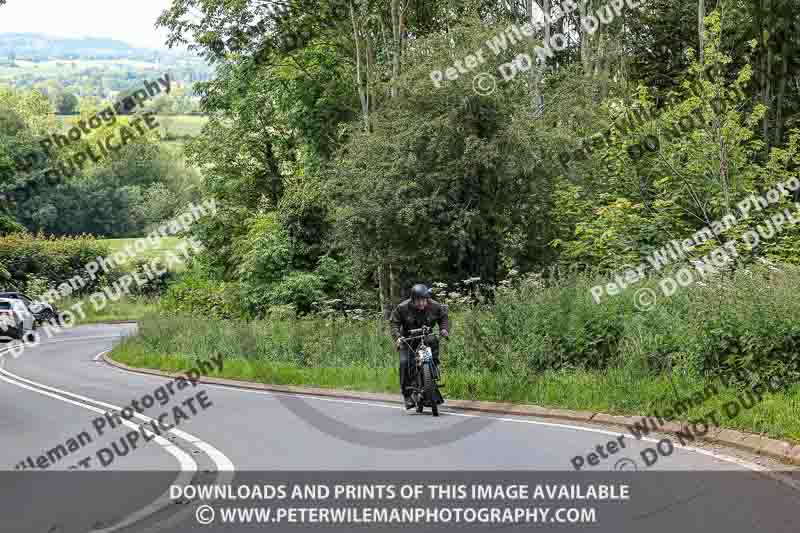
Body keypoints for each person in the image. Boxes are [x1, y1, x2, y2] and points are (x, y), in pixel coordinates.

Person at [389, 284, 450, 409]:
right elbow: (394, 323)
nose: (422, 303)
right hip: (407, 340)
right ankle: (407, 395)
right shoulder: (402, 308)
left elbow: (444, 317)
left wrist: (444, 329)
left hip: (426, 338)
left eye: (424, 300)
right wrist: (398, 337)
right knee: (404, 362)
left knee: (433, 346)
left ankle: (431, 382)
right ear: (413, 299)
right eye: (419, 300)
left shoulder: (435, 306)